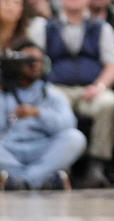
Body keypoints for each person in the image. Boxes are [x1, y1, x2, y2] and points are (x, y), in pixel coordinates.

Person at [28, 0, 114, 189]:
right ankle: (61, 166)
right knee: (53, 103)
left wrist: (100, 86)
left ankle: (96, 167)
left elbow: (113, 65)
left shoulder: (101, 27)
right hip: (56, 87)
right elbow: (32, 61)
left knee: (109, 103)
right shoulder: (44, 27)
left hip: (91, 88)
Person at [0, 39, 86, 191]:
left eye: (39, 60)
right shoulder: (4, 93)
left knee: (75, 138)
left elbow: (67, 124)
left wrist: (38, 113)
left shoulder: (52, 93)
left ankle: (21, 182)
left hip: (42, 148)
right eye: (29, 60)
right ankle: (42, 180)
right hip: (10, 149)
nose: (35, 65)